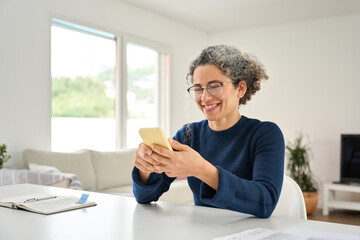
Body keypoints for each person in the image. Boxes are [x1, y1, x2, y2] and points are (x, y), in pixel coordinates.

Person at [132, 45, 284, 218]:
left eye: (214, 86)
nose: (204, 97)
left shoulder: (265, 134)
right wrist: (146, 167)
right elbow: (144, 197)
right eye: (198, 88)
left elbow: (265, 202)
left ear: (240, 89)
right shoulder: (188, 135)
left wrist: (201, 169)